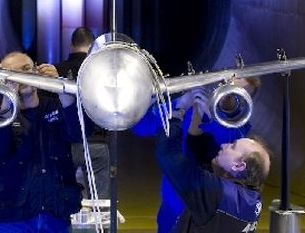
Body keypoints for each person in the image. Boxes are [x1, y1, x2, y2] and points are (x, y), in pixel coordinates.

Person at [133, 76, 260, 233]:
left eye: (236, 97)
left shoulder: (240, 130)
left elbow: (226, 145)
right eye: (228, 91)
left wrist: (212, 117)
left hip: (205, 212)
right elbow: (140, 126)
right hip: (173, 206)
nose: (228, 99)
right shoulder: (187, 106)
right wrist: (173, 102)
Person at [0, 51, 84, 233]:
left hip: (55, 211)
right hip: (13, 215)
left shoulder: (55, 105)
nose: (22, 78)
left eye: (26, 69)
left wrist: (62, 88)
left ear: (37, 70)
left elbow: (76, 134)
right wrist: (7, 101)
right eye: (12, 73)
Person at [54, 26, 110, 199]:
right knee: (99, 204)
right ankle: (100, 226)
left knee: (62, 199)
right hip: (96, 143)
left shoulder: (55, 71)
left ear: (71, 46)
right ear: (93, 46)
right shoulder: (104, 73)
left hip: (64, 145)